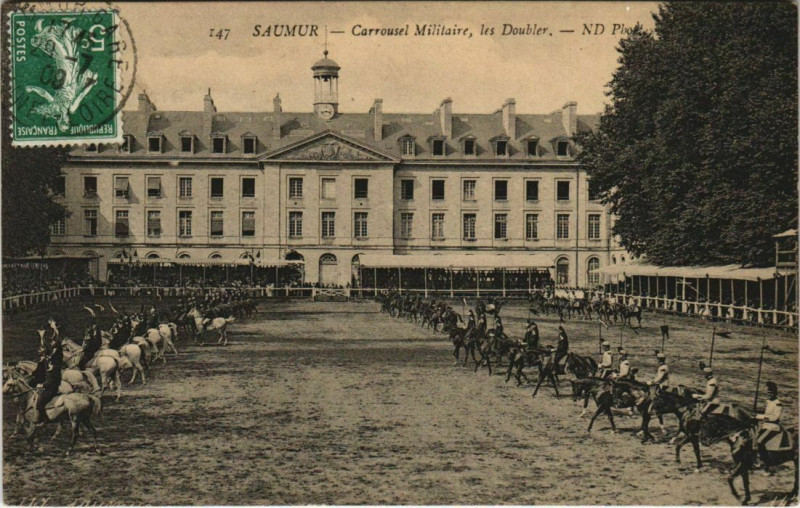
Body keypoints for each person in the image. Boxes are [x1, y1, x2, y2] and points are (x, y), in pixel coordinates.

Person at [34, 337, 63, 423]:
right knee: (36, 396)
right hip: (47, 388)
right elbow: (47, 354)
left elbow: (51, 382)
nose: (48, 362)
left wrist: (42, 385)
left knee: (39, 403)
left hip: (51, 389)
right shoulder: (50, 367)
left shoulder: (55, 369)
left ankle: (44, 420)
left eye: (50, 361)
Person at [756, 382, 783, 450]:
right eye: (768, 392)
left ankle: (764, 456)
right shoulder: (768, 402)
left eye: (770, 392)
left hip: (773, 427)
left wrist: (760, 417)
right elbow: (766, 412)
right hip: (765, 425)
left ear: (774, 393)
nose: (769, 394)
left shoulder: (778, 404)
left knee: (759, 442)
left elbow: (774, 418)